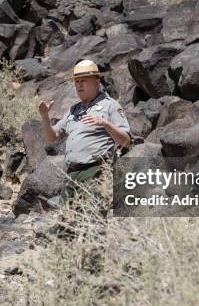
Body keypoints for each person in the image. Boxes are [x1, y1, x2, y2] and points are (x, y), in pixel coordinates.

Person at [38, 59, 131, 203]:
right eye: (77, 81)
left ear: (96, 82)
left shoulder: (110, 106)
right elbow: (52, 136)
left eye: (84, 80)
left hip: (96, 171)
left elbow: (126, 141)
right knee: (66, 222)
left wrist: (105, 123)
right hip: (73, 173)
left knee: (91, 219)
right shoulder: (74, 110)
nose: (79, 85)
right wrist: (44, 116)